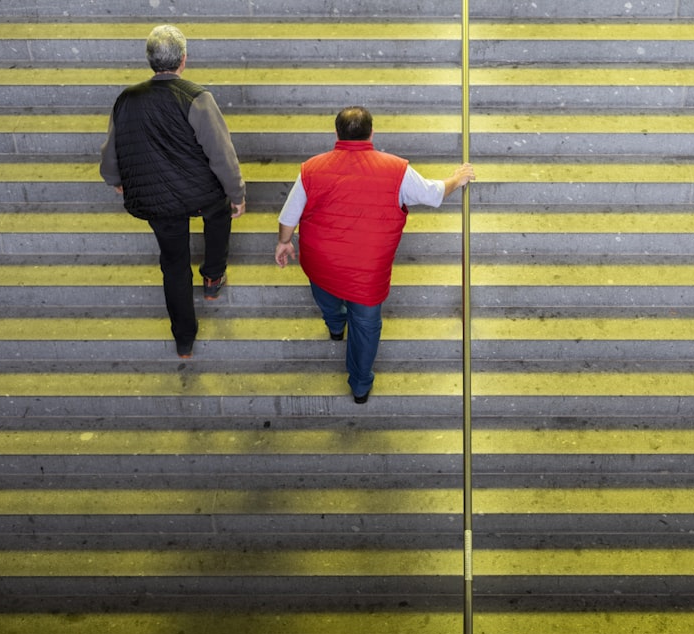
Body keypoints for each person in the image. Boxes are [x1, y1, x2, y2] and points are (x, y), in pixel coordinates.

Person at [275, 106, 475, 403]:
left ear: (336, 133)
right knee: (366, 327)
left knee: (326, 297)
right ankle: (359, 384)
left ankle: (334, 326)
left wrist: (284, 243)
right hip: (367, 274)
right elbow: (432, 194)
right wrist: (455, 179)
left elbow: (289, 216)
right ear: (372, 133)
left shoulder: (311, 168)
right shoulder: (396, 169)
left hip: (321, 262)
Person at [99, 24, 246, 358]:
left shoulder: (126, 99)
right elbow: (221, 154)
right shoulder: (197, 97)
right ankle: (212, 277)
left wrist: (114, 178)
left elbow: (111, 151)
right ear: (183, 59)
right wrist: (236, 194)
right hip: (200, 192)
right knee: (219, 212)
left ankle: (184, 340)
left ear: (151, 60)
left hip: (156, 199)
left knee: (174, 263)